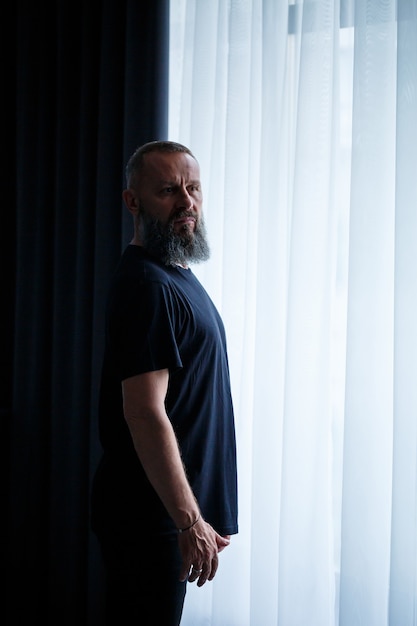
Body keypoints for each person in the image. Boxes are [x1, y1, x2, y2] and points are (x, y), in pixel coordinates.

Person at [91, 140, 238, 625]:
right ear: (133, 201)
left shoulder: (174, 273)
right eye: (168, 190)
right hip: (149, 515)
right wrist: (189, 518)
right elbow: (144, 411)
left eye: (193, 188)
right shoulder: (148, 286)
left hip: (165, 513)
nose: (187, 201)